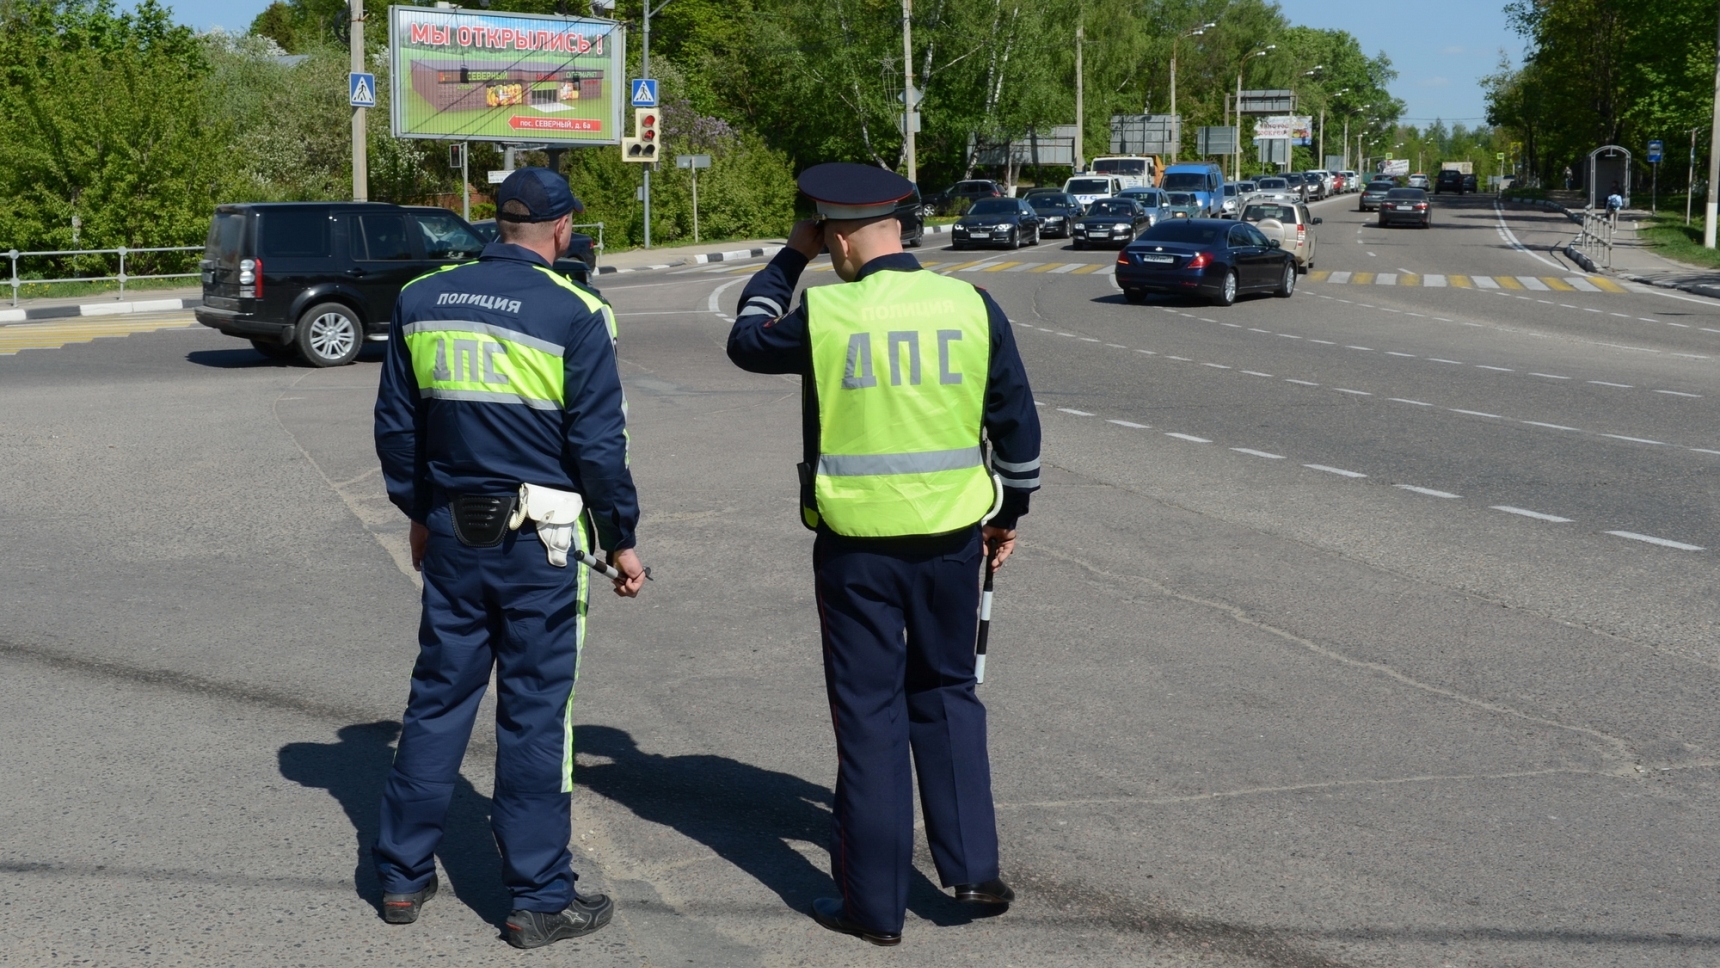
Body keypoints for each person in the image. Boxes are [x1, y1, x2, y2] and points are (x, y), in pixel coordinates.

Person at [726, 162, 1041, 946]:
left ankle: (873, 908)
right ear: (901, 227)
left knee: (870, 719)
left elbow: (746, 341)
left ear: (835, 233)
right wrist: (1009, 516)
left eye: (822, 238)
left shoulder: (828, 312)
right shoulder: (971, 303)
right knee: (948, 693)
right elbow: (1019, 429)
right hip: (952, 541)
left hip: (856, 551)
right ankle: (972, 873)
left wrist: (786, 260)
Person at [371, 167, 646, 950]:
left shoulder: (423, 298)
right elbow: (598, 448)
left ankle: (400, 877)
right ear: (562, 231)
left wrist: (420, 511)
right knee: (534, 718)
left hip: (454, 534)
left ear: (496, 223)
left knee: (436, 700)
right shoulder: (578, 311)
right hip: (541, 546)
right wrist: (621, 538)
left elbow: (398, 428)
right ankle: (536, 898)